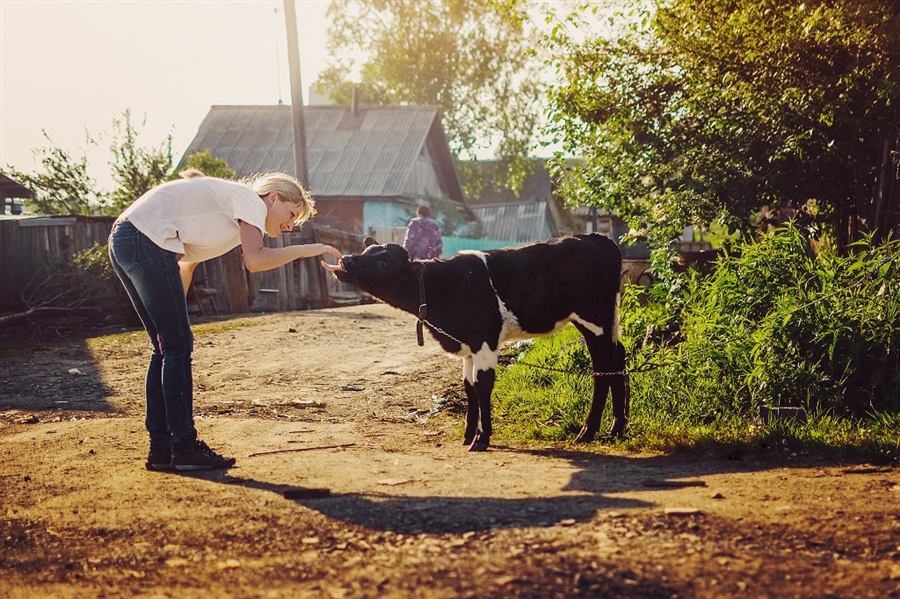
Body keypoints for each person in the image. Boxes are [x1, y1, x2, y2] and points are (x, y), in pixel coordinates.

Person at [108, 169, 342, 472]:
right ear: (273, 197)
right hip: (143, 240)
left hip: (126, 238)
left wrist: (173, 318)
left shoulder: (231, 215)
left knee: (165, 346)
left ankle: (161, 450)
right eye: (292, 213)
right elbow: (255, 261)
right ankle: (184, 447)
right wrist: (308, 250)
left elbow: (186, 267)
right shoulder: (251, 202)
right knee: (175, 346)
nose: (291, 225)